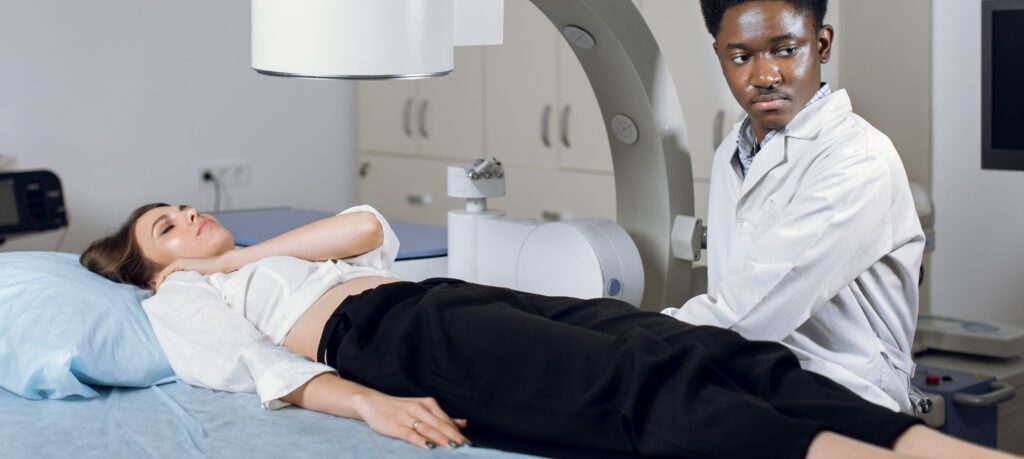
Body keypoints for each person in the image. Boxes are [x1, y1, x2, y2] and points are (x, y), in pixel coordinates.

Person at [80, 203, 1011, 459]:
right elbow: (247, 364)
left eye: (182, 207)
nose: (187, 216)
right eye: (166, 227)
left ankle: (935, 448)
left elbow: (365, 223)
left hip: (440, 297)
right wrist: (366, 403)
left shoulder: (249, 258)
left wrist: (237, 254)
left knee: (691, 344)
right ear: (151, 269)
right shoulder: (178, 298)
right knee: (632, 385)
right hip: (383, 339)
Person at [662, 0, 926, 413]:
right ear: (719, 55)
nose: (765, 76)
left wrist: (627, 338)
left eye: (785, 51)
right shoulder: (732, 153)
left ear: (821, 44)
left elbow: (752, 311)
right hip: (755, 387)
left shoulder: (857, 158)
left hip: (850, 400)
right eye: (741, 57)